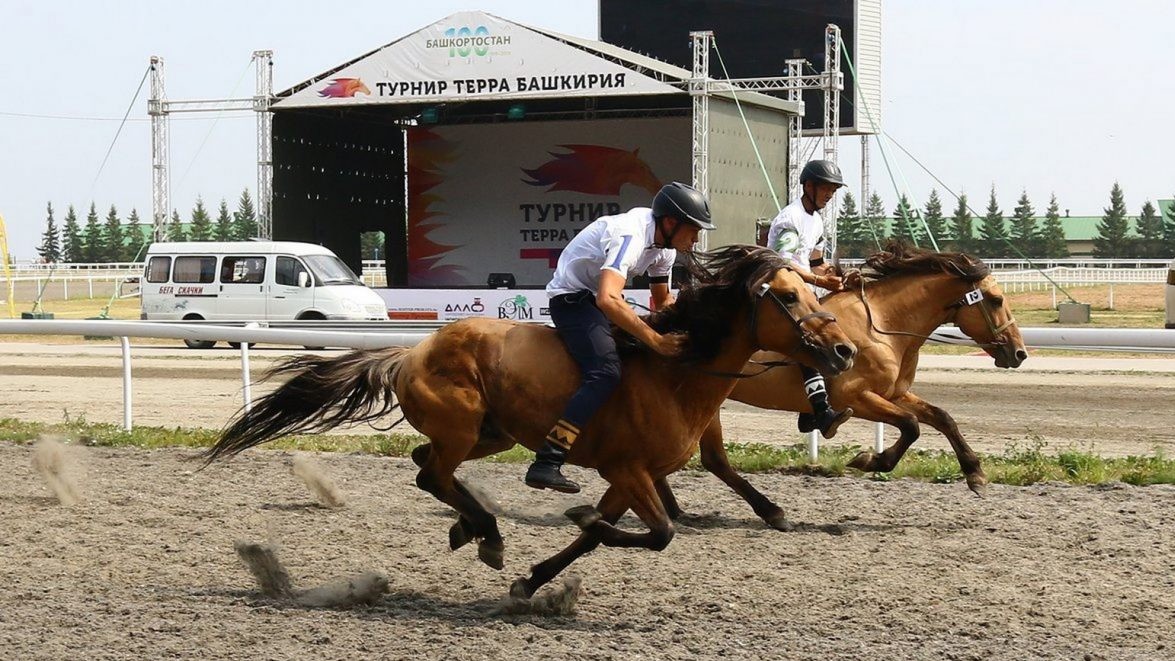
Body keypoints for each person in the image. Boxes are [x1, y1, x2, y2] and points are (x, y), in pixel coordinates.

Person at [524, 182, 715, 493]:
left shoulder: (664, 249)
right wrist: (655, 341)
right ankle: (548, 460)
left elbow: (663, 301)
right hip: (572, 300)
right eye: (693, 230)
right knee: (605, 373)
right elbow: (607, 299)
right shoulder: (631, 233)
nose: (696, 239)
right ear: (670, 222)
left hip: (599, 300)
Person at [766, 159, 854, 438]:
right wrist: (818, 280)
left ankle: (808, 412)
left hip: (803, 291)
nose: (830, 195)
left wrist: (838, 277)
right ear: (809, 186)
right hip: (781, 292)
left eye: (833, 190)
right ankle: (818, 410)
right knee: (811, 339)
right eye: (827, 189)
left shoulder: (816, 221)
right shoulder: (789, 219)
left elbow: (816, 262)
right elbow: (783, 264)